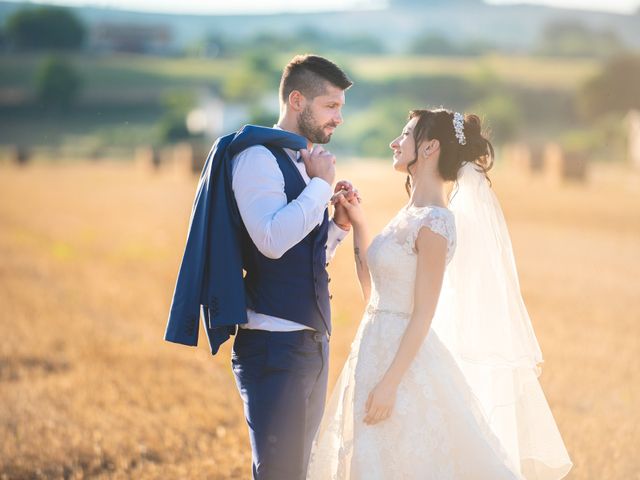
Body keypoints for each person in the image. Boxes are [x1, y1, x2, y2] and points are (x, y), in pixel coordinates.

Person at [306, 108, 573, 479]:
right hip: (372, 352)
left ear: (430, 147)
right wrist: (360, 222)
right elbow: (375, 291)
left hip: (404, 366)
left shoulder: (435, 221)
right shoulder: (409, 213)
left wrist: (389, 384)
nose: (394, 143)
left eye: (405, 134)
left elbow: (423, 313)